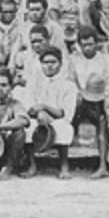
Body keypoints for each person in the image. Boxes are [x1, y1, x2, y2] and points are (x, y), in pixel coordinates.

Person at [22, 46, 78, 180]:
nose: (49, 66)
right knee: (28, 128)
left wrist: (44, 107)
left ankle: (64, 166)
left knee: (64, 128)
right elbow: (29, 107)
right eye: (45, 63)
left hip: (58, 119)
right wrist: (39, 113)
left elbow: (65, 112)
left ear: (60, 64)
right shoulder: (33, 83)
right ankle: (32, 165)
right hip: (37, 118)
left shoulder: (68, 85)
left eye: (53, 62)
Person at [70, 25, 109, 166]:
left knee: (104, 114)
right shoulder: (74, 59)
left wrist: (103, 96)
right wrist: (79, 93)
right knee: (73, 100)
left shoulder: (105, 60)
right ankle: (72, 135)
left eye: (90, 44)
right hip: (80, 97)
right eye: (84, 45)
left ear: (96, 43)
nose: (87, 48)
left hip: (99, 99)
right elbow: (70, 80)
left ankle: (103, 154)